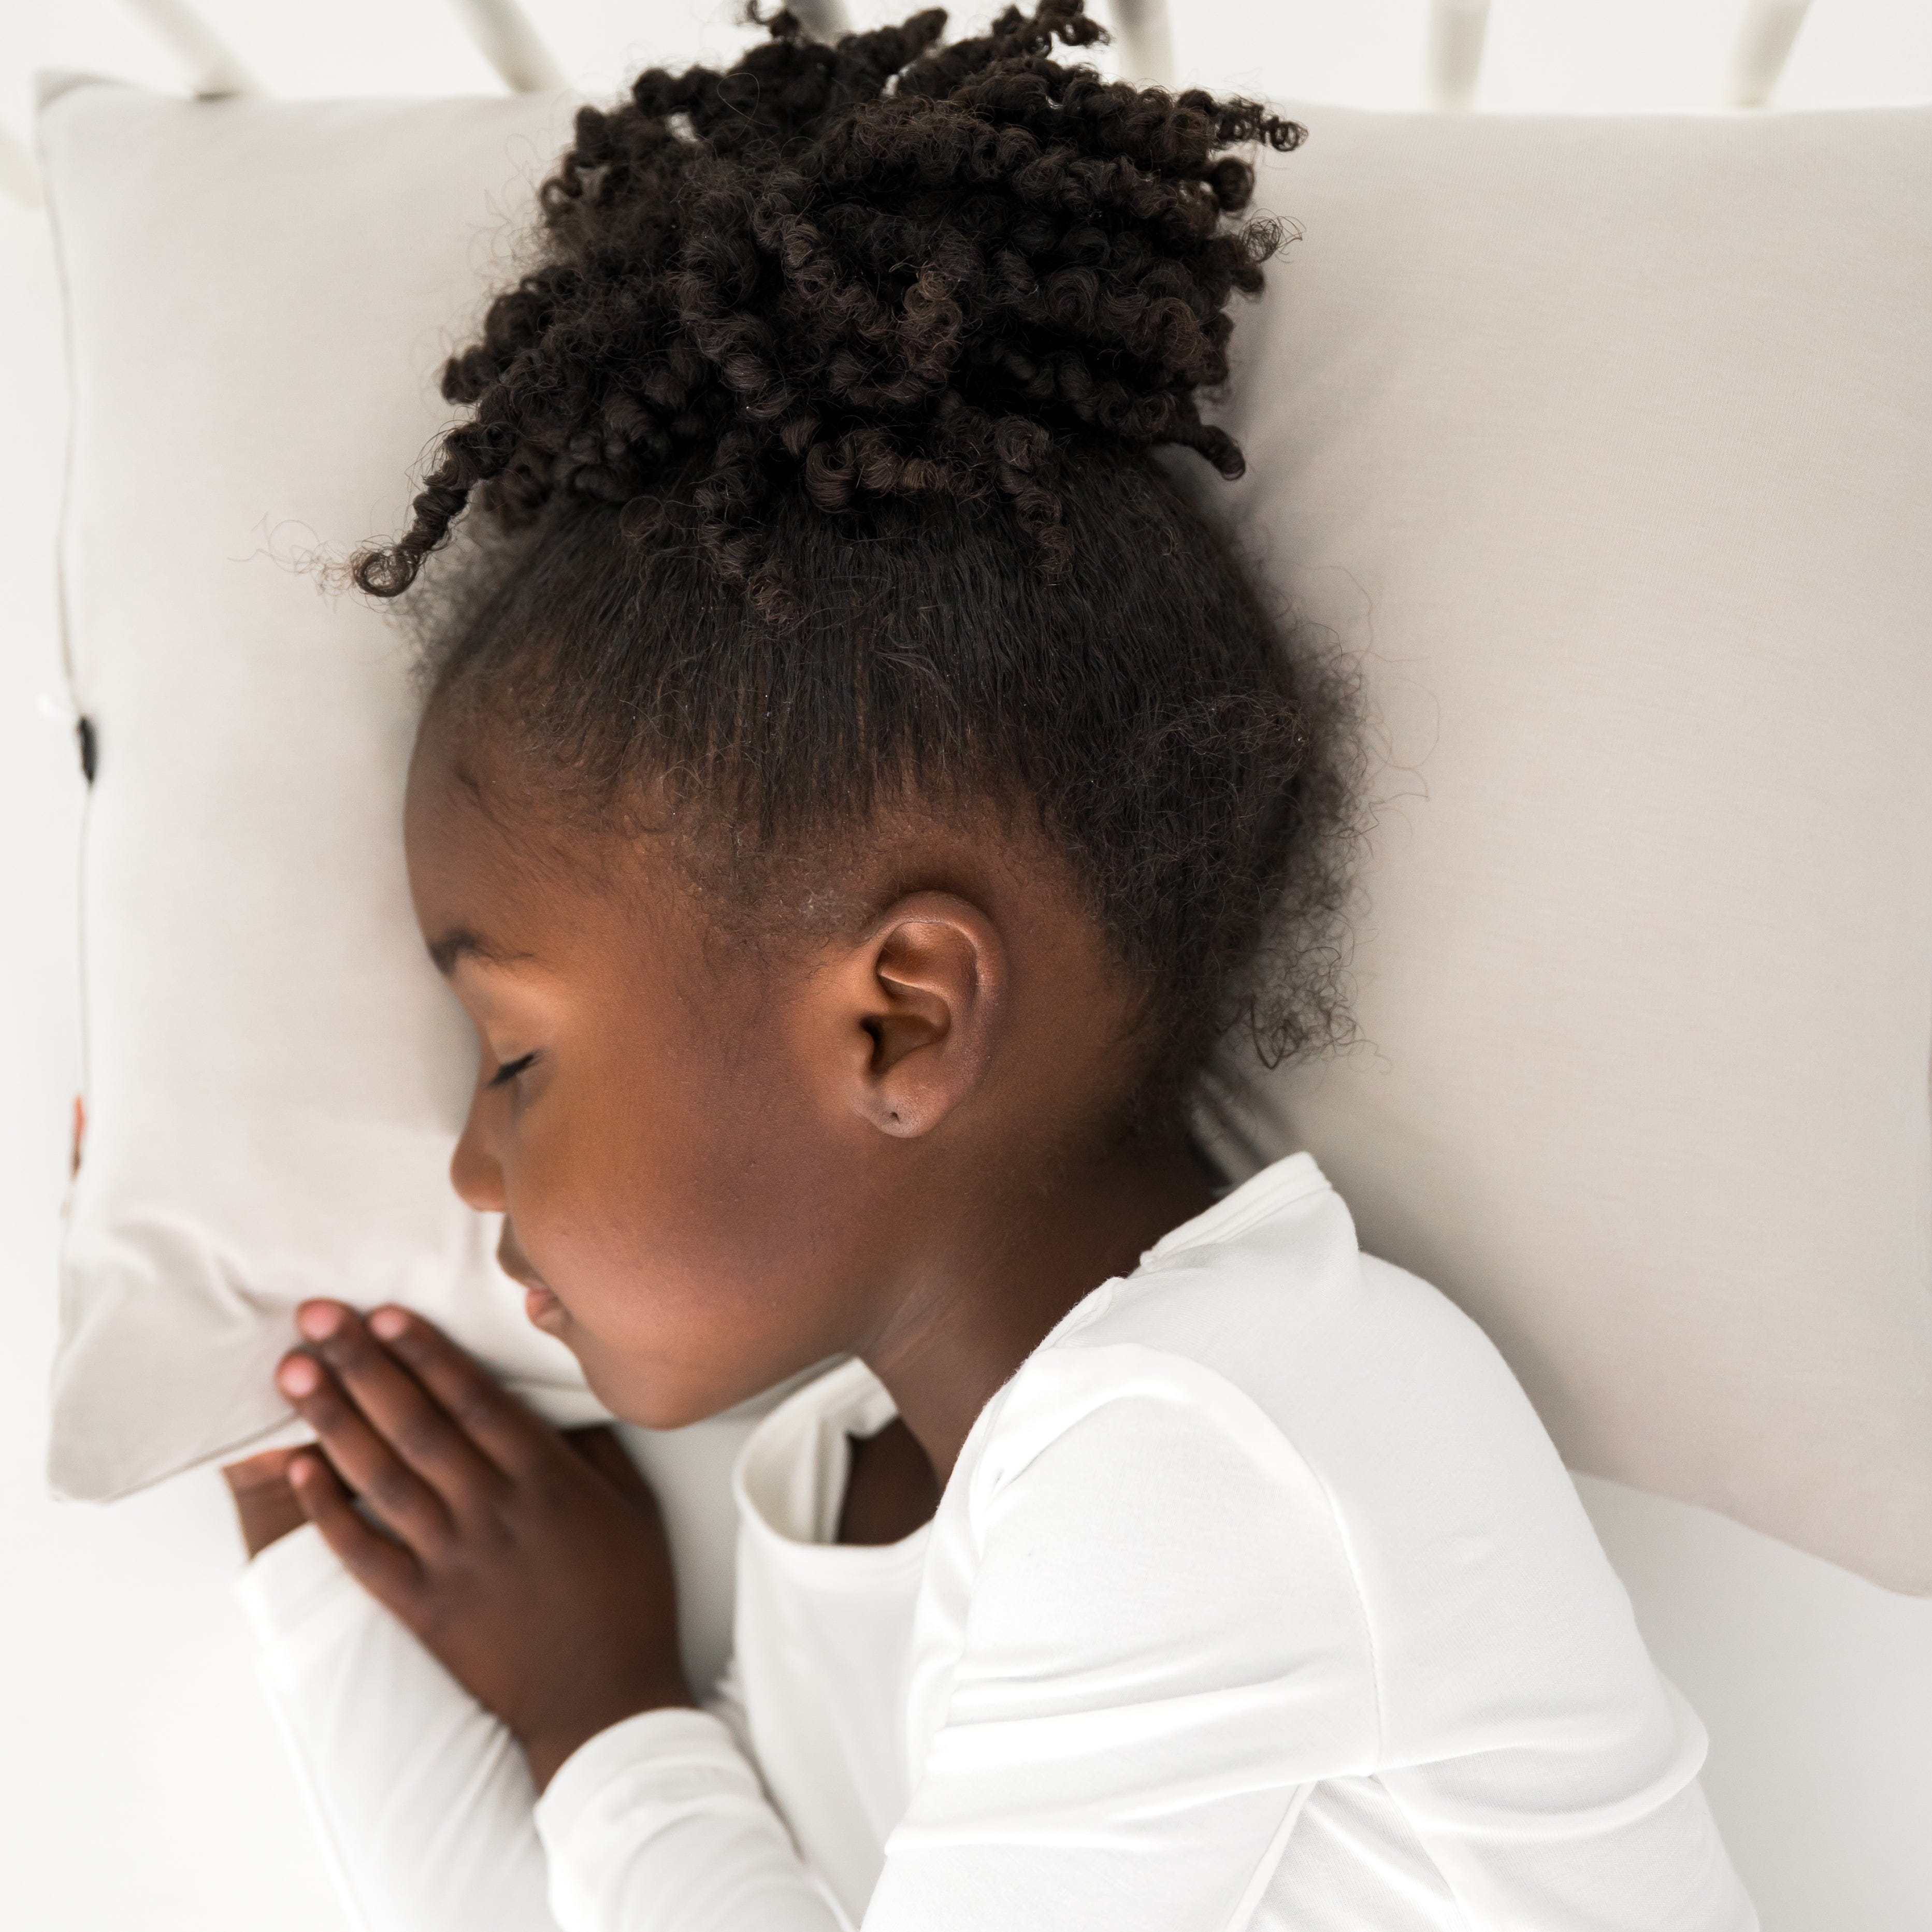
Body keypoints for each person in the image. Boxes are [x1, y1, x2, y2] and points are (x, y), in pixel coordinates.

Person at [222, 5, 1758, 1927]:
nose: (467, 1165)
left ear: (902, 1017)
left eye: (515, 1054)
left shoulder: (1212, 1429)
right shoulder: (863, 1488)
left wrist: (606, 1715)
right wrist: (320, 1548)